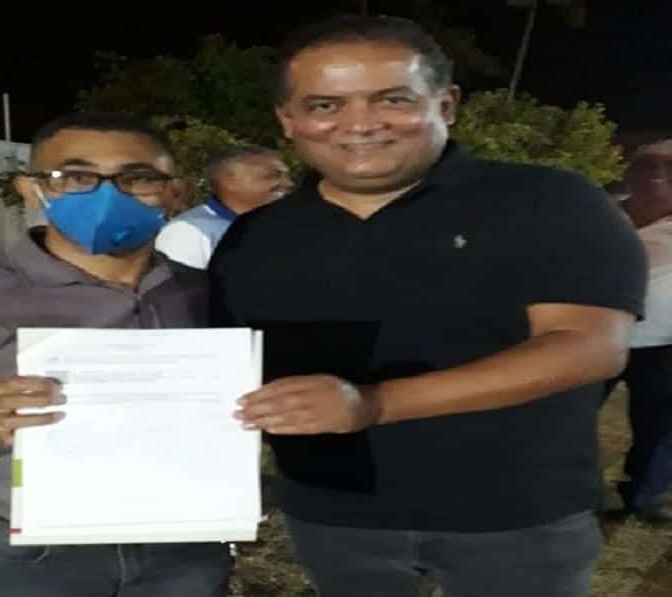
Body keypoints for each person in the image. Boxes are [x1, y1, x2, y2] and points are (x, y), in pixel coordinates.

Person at [208, 15, 647, 597]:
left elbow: (587, 346)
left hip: (512, 515)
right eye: (325, 105)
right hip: (330, 512)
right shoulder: (255, 236)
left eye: (392, 99)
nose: (360, 123)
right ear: (288, 120)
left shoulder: (547, 201)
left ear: (446, 104)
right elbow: (225, 362)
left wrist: (375, 403)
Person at [0, 112, 232, 597]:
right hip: (41, 552)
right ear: (32, 189)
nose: (107, 197)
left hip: (184, 538)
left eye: (137, 178)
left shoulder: (204, 290)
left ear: (174, 193)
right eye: (76, 177)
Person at [610, 140, 672, 525]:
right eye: (647, 163)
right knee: (566, 417)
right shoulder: (598, 213)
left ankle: (642, 496)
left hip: (663, 345)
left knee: (660, 426)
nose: (657, 172)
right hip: (589, 338)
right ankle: (560, 491)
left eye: (669, 165)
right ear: (629, 171)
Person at [155, 145, 291, 269]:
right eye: (273, 176)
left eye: (285, 176)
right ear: (230, 181)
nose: (288, 183)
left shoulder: (278, 226)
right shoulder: (188, 232)